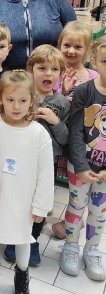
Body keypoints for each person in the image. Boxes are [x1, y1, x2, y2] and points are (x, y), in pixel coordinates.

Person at [0, 70, 53, 294]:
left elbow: (45, 173)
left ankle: (22, 278)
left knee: (23, 238)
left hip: (24, 199)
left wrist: (41, 205)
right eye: (10, 99)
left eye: (23, 100)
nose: (16, 106)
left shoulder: (39, 134)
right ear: (0, 98)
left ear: (32, 100)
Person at [3, 45, 70, 268]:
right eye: (42, 68)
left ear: (61, 73)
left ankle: (31, 242)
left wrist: (55, 121)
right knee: (17, 202)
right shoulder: (23, 97)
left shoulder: (61, 103)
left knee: (38, 207)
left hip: (46, 165)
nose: (48, 74)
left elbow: (65, 138)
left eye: (54, 69)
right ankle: (14, 238)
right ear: (31, 70)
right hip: (18, 162)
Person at [60, 36, 106, 281]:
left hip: (105, 174)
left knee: (99, 212)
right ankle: (70, 246)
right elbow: (76, 130)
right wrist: (80, 165)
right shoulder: (86, 90)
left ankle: (92, 250)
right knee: (76, 207)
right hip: (80, 166)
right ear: (94, 62)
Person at [52, 21, 99, 239]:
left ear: (88, 50)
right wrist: (62, 91)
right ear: (59, 44)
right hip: (59, 138)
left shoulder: (94, 77)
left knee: (82, 187)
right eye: (67, 45)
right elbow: (50, 102)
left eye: (78, 47)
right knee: (64, 181)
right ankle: (60, 216)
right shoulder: (55, 73)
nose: (71, 51)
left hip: (83, 142)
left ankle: (73, 222)